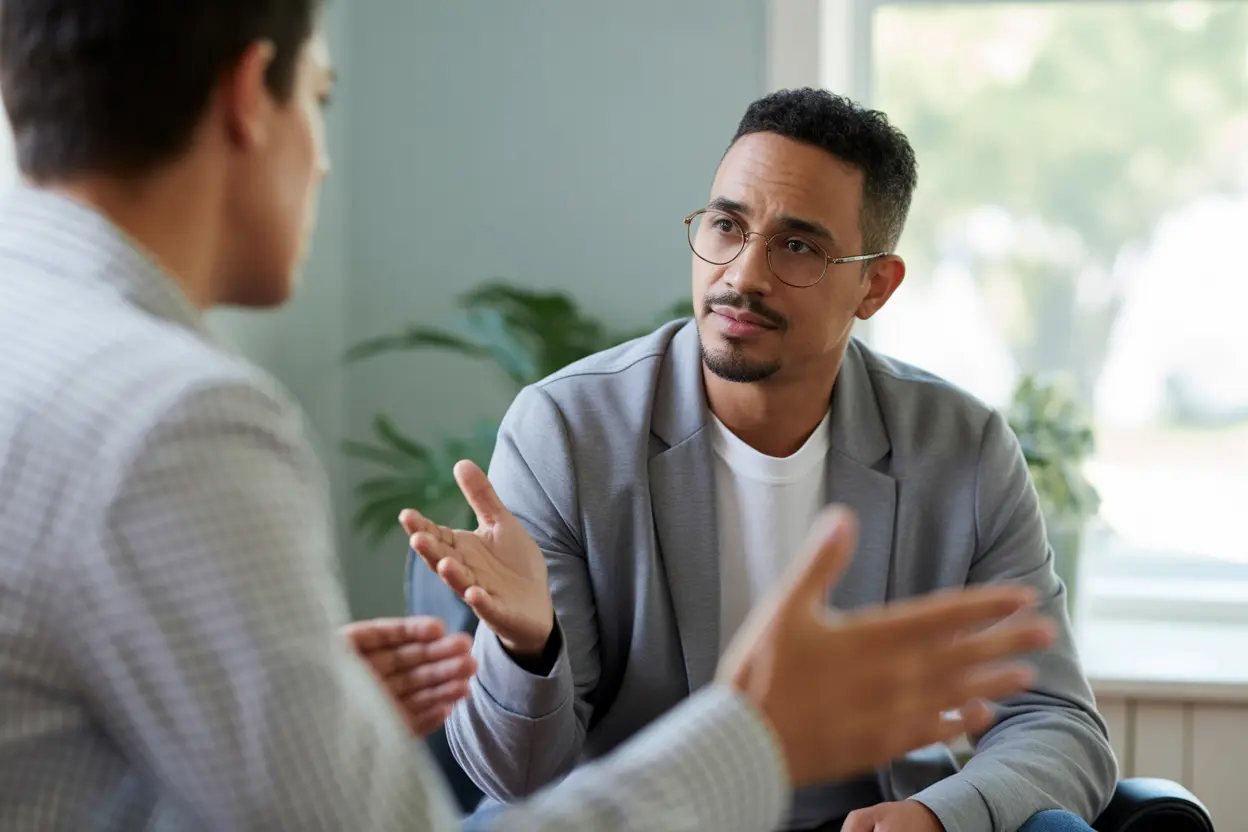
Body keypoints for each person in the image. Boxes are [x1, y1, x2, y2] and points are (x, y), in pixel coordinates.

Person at [0, 1, 1059, 830]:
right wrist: (754, 727)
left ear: (875, 286)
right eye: (320, 101)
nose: (322, 156)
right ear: (248, 100)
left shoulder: (37, 346)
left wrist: (316, 711)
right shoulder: (183, 420)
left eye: (798, 245)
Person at [409, 89, 1118, 832]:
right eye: (726, 225)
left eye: (798, 247)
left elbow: (1057, 724)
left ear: (875, 285)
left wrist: (938, 818)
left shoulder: (962, 450)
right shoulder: (566, 431)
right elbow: (516, 779)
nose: (743, 275)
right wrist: (529, 649)